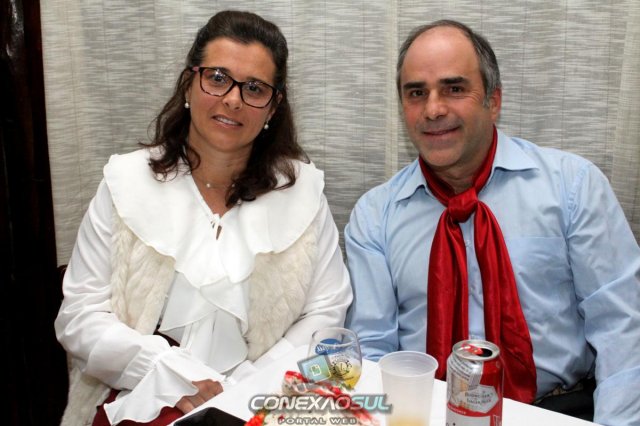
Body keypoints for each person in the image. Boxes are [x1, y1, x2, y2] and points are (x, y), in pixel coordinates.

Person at [55, 10, 352, 426]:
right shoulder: (125, 182)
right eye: (217, 77)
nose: (233, 99)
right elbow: (79, 316)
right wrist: (167, 372)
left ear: (273, 107)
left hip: (265, 403)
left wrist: (250, 387)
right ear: (189, 84)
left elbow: (327, 313)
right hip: (141, 400)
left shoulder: (302, 192)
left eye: (254, 88)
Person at [344, 19, 640, 425]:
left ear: (494, 101)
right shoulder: (375, 215)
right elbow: (373, 351)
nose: (433, 109)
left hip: (555, 408)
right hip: (426, 411)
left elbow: (622, 327)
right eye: (416, 93)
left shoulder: (572, 186)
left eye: (454, 88)